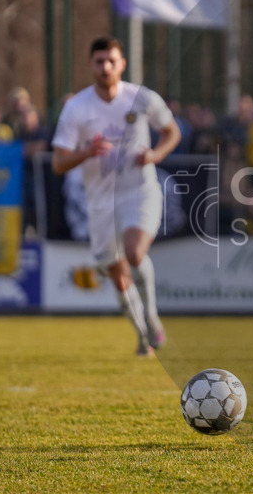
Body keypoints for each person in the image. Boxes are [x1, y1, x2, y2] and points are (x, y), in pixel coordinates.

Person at [51, 37, 181, 357]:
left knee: (135, 253)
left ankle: (151, 317)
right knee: (116, 273)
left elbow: (171, 131)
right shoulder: (77, 107)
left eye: (111, 61)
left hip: (139, 190)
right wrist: (87, 151)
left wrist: (156, 154)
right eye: (99, 61)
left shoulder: (141, 98)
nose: (105, 67)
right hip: (100, 201)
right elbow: (58, 163)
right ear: (90, 65)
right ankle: (141, 336)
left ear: (122, 64)